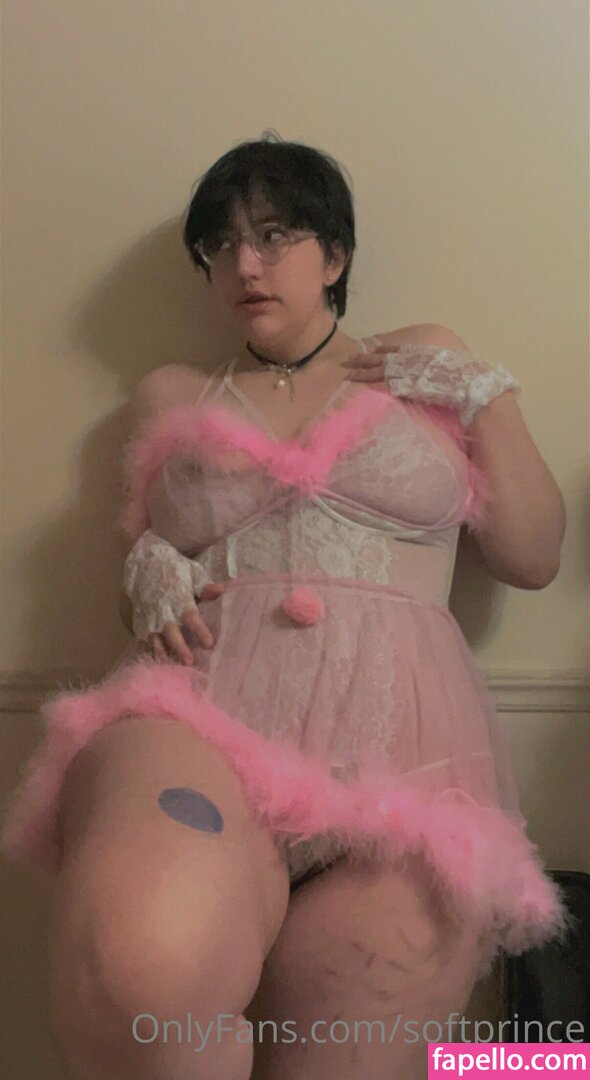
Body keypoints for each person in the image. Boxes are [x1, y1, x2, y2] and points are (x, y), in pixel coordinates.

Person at [1, 132, 572, 1080]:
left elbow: (533, 556)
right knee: (139, 984)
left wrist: (484, 398)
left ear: (335, 256)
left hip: (403, 763)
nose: (245, 264)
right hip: (201, 723)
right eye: (220, 244)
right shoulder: (173, 394)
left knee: (339, 1058)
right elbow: (146, 584)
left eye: (273, 235)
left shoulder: (422, 360)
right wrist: (146, 568)